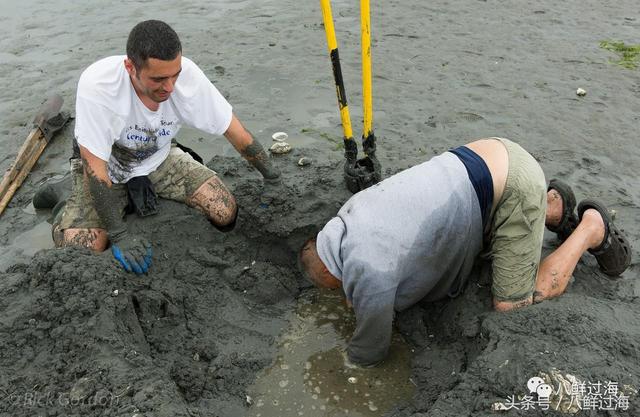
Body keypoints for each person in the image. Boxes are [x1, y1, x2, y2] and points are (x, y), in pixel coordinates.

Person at [299, 137, 632, 367]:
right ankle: (552, 204)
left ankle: (591, 228)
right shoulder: (349, 215)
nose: (347, 293)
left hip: (513, 181)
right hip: (482, 159)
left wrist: (344, 366)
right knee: (492, 219)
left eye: (340, 288)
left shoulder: (368, 267)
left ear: (335, 272)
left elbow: (369, 351)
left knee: (512, 304)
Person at [41, 20, 281, 275]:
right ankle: (61, 203)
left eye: (174, 75)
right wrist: (120, 234)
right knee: (83, 251)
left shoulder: (187, 76)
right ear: (130, 67)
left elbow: (234, 131)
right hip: (105, 164)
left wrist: (272, 178)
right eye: (158, 79)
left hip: (157, 153)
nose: (169, 87)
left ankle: (136, 191)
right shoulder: (99, 86)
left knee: (224, 210)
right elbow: (96, 169)